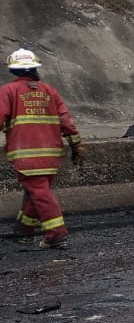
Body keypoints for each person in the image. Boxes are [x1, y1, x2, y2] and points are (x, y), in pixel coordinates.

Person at [1, 48, 83, 249]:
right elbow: (67, 122)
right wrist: (77, 146)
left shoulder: (8, 91)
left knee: (39, 192)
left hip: (26, 155)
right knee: (36, 191)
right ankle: (23, 230)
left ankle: (56, 234)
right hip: (52, 154)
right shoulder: (49, 91)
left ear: (13, 70)